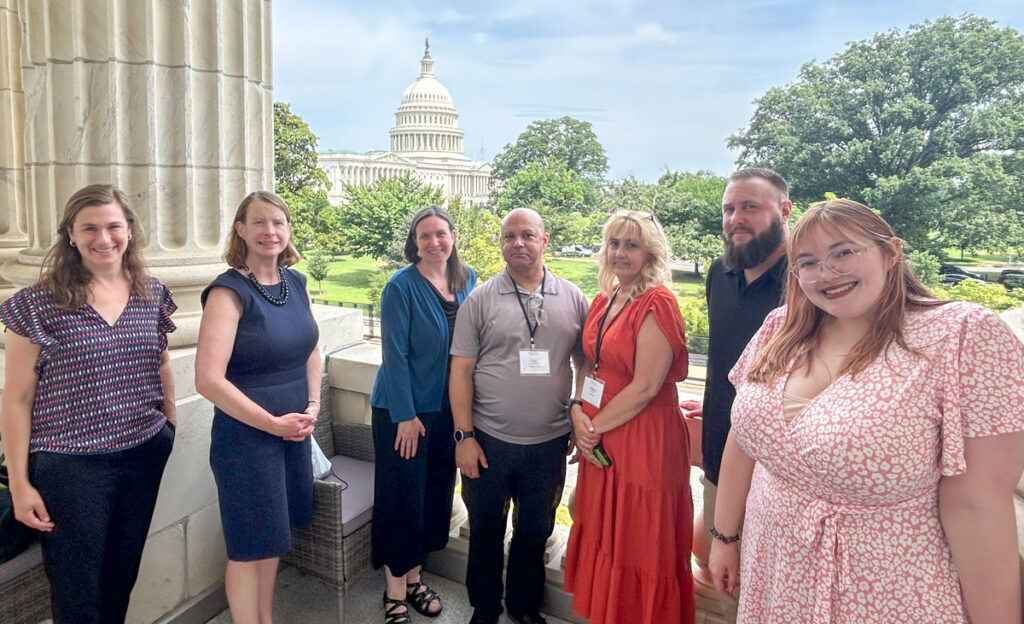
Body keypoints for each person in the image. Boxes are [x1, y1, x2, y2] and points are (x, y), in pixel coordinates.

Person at [709, 199, 1024, 623]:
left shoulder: (962, 336)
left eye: (843, 253)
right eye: (808, 262)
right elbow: (744, 436)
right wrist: (724, 535)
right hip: (776, 574)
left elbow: (978, 505)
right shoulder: (780, 328)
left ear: (890, 252)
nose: (827, 273)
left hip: (886, 592)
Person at [0, 183, 177, 623]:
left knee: (121, 578)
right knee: (77, 593)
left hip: (142, 453)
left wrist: (168, 424)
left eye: (114, 226)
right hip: (70, 467)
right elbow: (16, 398)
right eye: (90, 228)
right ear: (71, 235)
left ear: (129, 231)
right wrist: (21, 486)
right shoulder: (38, 304)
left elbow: (161, 358)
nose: (104, 238)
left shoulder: (151, 292)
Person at [450, 208, 589, 624]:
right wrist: (464, 437)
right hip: (488, 440)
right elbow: (461, 371)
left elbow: (586, 362)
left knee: (535, 531)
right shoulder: (480, 299)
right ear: (501, 243)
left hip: (548, 443)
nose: (518, 243)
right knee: (486, 529)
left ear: (545, 241)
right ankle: (485, 607)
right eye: (509, 236)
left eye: (527, 235)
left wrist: (577, 410)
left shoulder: (573, 297)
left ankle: (525, 607)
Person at [195, 191, 321, 624]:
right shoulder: (228, 292)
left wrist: (314, 403)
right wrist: (272, 424)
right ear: (241, 230)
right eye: (260, 223)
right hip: (247, 438)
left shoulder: (296, 282)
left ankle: (264, 618)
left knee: (275, 538)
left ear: (288, 230)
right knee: (250, 546)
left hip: (292, 432)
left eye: (279, 223)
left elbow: (311, 349)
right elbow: (208, 379)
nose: (270, 231)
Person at [563, 210, 693, 624]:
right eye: (614, 244)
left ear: (650, 253)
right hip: (601, 433)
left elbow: (645, 387)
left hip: (643, 437)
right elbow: (589, 361)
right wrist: (578, 408)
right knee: (606, 530)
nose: (620, 253)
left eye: (631, 245)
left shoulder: (659, 301)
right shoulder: (606, 297)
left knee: (638, 537)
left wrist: (590, 428)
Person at [369, 205, 476, 624]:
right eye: (424, 235)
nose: (434, 242)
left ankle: (414, 580)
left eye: (440, 234)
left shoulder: (468, 283)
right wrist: (405, 414)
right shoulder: (400, 286)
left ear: (453, 236)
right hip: (403, 413)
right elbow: (393, 355)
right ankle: (394, 592)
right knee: (401, 501)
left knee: (432, 498)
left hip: (448, 413)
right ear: (414, 242)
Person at [698, 168, 791, 619]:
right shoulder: (721, 273)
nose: (736, 218)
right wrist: (715, 401)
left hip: (781, 476)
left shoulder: (807, 284)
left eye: (750, 207)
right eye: (729, 209)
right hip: (721, 454)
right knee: (726, 583)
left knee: (774, 594)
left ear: (784, 210)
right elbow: (727, 363)